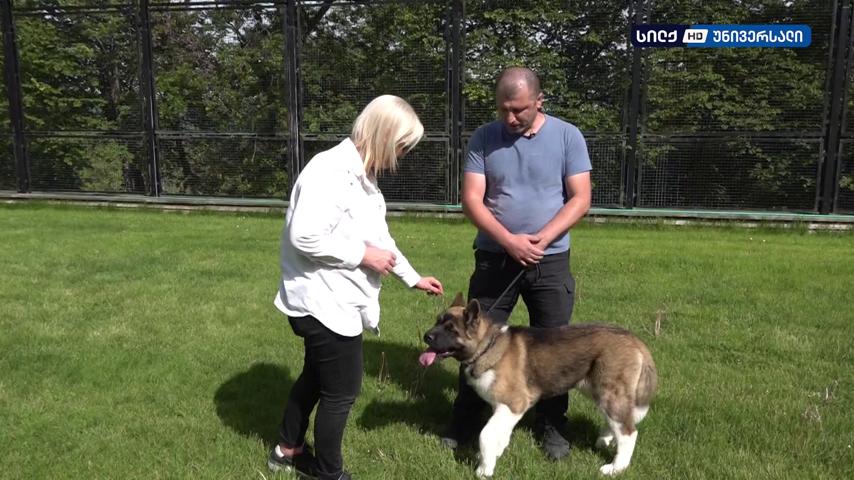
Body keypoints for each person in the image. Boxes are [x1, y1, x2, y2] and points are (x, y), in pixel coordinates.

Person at [268, 95, 444, 480]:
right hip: (322, 301)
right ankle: (328, 473)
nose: (401, 155)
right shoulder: (330, 171)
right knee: (341, 393)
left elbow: (381, 239)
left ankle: (287, 449)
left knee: (316, 377)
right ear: (384, 136)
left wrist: (412, 277)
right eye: (401, 145)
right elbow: (304, 237)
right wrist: (363, 256)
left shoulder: (362, 176)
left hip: (331, 299)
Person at [442, 67, 592, 460]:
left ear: (539, 101)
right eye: (503, 109)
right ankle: (464, 422)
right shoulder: (484, 137)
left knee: (555, 346)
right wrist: (509, 241)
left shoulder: (568, 136)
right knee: (473, 340)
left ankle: (552, 425)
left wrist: (543, 237)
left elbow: (580, 197)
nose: (510, 118)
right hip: (495, 258)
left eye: (519, 110)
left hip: (549, 259)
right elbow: (472, 199)